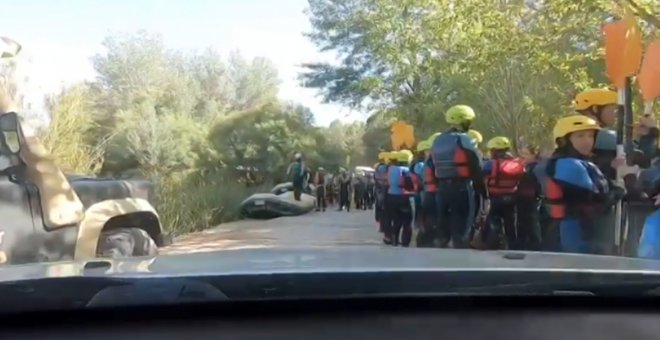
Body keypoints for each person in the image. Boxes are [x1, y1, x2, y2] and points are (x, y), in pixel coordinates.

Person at [535, 115, 624, 254]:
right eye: (580, 136)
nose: (587, 141)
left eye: (590, 136)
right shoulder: (570, 165)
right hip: (571, 232)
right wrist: (619, 191)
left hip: (563, 230)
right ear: (564, 141)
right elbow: (599, 198)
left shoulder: (565, 161)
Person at [428, 105, 489, 248]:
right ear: (465, 121)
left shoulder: (437, 140)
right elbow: (477, 167)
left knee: (443, 227)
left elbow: (431, 165)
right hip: (462, 188)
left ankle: (440, 255)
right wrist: (483, 193)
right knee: (462, 228)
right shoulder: (464, 139)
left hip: (442, 189)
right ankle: (460, 257)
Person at [483, 136, 526, 250]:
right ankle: (513, 245)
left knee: (492, 219)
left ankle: (492, 243)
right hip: (512, 196)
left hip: (495, 197)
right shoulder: (517, 163)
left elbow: (481, 174)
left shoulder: (491, 164)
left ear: (494, 151)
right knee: (510, 222)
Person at [385, 149, 415, 246]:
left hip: (390, 197)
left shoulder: (391, 169)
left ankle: (394, 240)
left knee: (396, 219)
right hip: (403, 197)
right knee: (407, 221)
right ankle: (405, 242)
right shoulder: (406, 170)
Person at [517, 145, 543, 250]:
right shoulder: (526, 167)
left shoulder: (536, 168)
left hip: (532, 200)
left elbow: (539, 185)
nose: (523, 156)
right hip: (524, 199)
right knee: (524, 223)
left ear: (534, 154)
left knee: (532, 223)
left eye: (526, 154)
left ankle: (536, 246)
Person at [374, 152, 391, 237]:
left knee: (381, 208)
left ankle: (382, 226)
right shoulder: (388, 167)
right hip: (386, 190)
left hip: (380, 190)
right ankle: (385, 227)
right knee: (385, 209)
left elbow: (376, 178)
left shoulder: (378, 167)